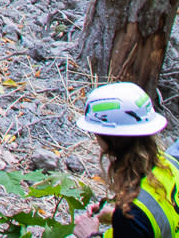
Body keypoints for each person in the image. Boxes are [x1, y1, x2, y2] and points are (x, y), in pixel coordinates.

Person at [72, 81, 179, 238]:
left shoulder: (130, 215)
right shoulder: (170, 163)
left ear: (108, 139)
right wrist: (115, 216)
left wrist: (90, 235)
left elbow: (139, 221)